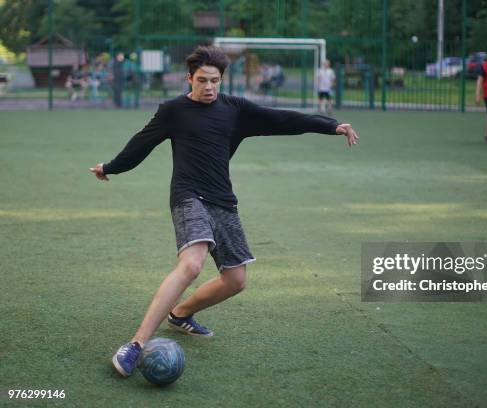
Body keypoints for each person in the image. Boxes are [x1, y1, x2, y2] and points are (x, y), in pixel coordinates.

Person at [89, 46, 359, 378]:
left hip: (223, 200)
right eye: (202, 80)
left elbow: (282, 118)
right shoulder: (173, 111)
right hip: (188, 195)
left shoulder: (235, 110)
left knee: (235, 281)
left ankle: (180, 314)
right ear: (189, 78)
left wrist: (331, 126)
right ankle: (136, 344)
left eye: (215, 81)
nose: (209, 87)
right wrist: (111, 167)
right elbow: (140, 144)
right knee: (191, 264)